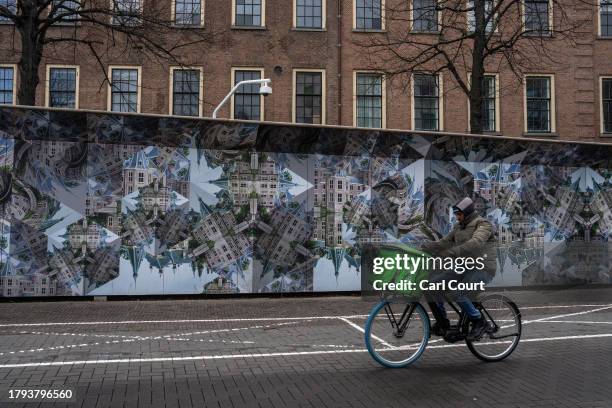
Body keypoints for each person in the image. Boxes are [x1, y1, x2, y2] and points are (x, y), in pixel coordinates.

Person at [421, 197, 497, 341]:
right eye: (456, 214)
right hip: (463, 267)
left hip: (482, 268)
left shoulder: (483, 224)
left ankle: (479, 322)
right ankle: (443, 323)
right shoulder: (458, 226)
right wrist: (427, 247)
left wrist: (453, 252)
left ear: (467, 212)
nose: (457, 217)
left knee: (458, 292)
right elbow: (444, 242)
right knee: (430, 288)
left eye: (459, 214)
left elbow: (476, 243)